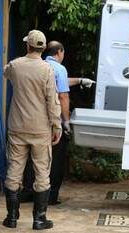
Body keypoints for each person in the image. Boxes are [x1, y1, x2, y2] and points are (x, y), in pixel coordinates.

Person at [21, 41, 95, 205]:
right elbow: (62, 96)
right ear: (60, 52)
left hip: (32, 119)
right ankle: (51, 196)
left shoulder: (39, 66)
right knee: (55, 159)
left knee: (32, 157)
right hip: (53, 121)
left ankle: (28, 192)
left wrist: (80, 80)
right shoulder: (59, 69)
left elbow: (60, 81)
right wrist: (66, 122)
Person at [3, 30, 62, 230]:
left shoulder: (15, 65)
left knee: (14, 170)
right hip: (40, 129)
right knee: (42, 171)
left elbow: (6, 73)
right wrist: (56, 125)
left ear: (27, 45)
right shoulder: (47, 70)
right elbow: (52, 101)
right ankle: (39, 219)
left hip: (17, 127)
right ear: (43, 48)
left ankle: (11, 217)